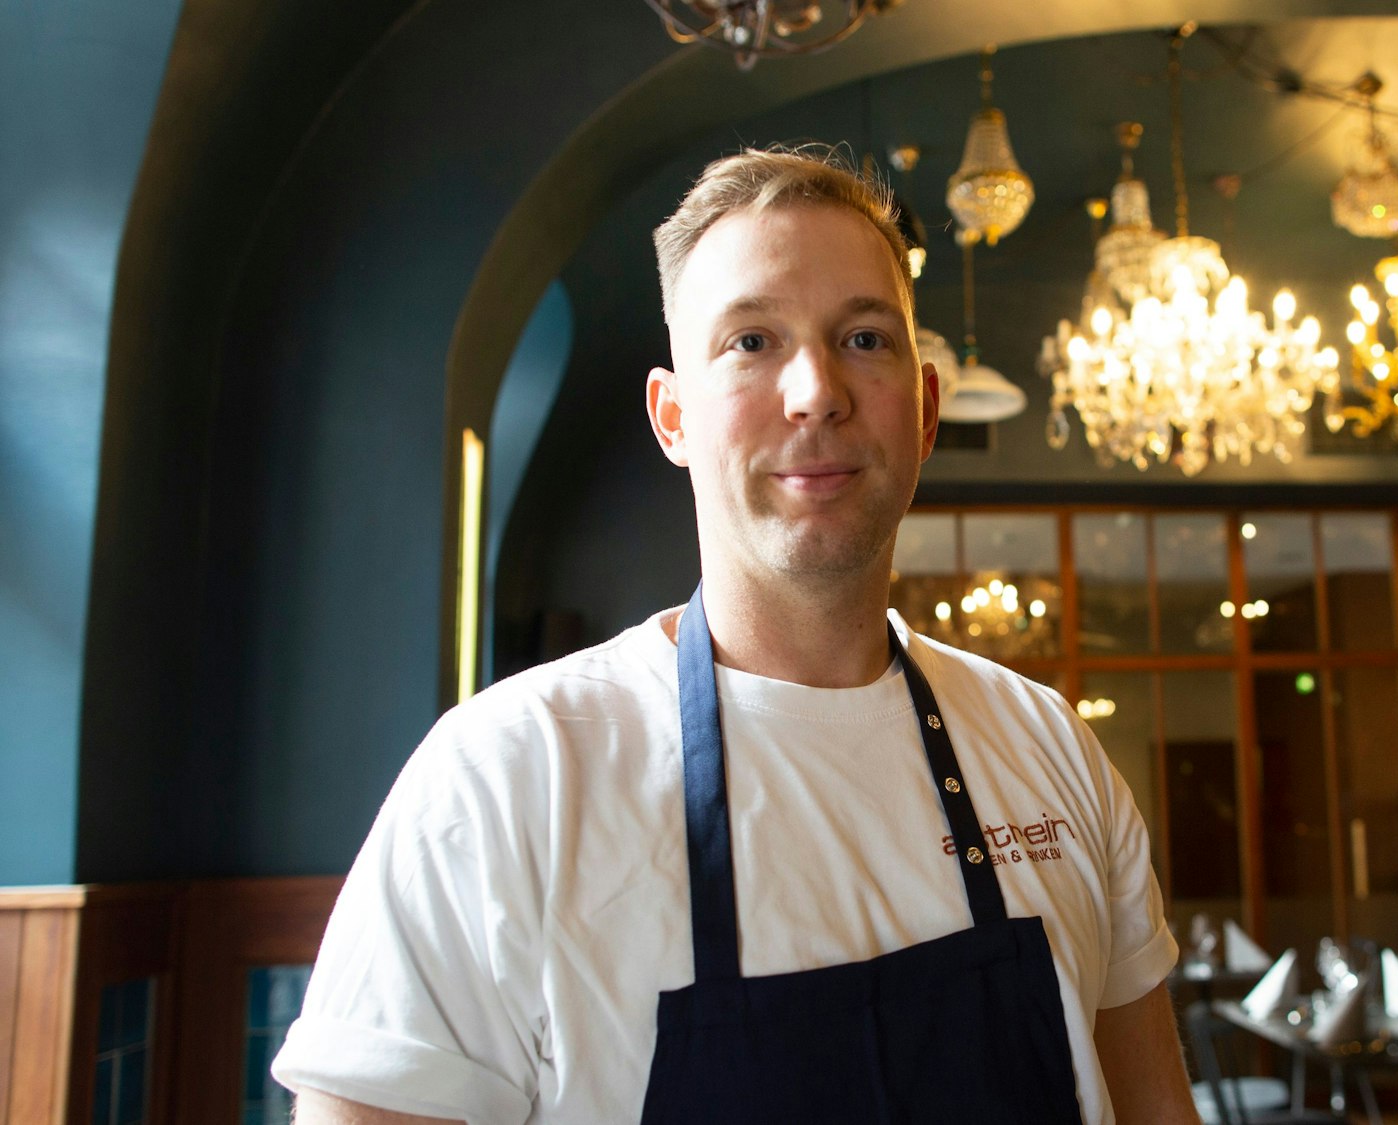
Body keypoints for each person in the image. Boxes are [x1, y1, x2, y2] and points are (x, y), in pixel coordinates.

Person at [272, 147, 1200, 1123]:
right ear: (673, 419)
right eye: (751, 342)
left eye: (867, 339)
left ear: (924, 412)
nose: (815, 391)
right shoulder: (507, 777)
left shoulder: (1051, 747)